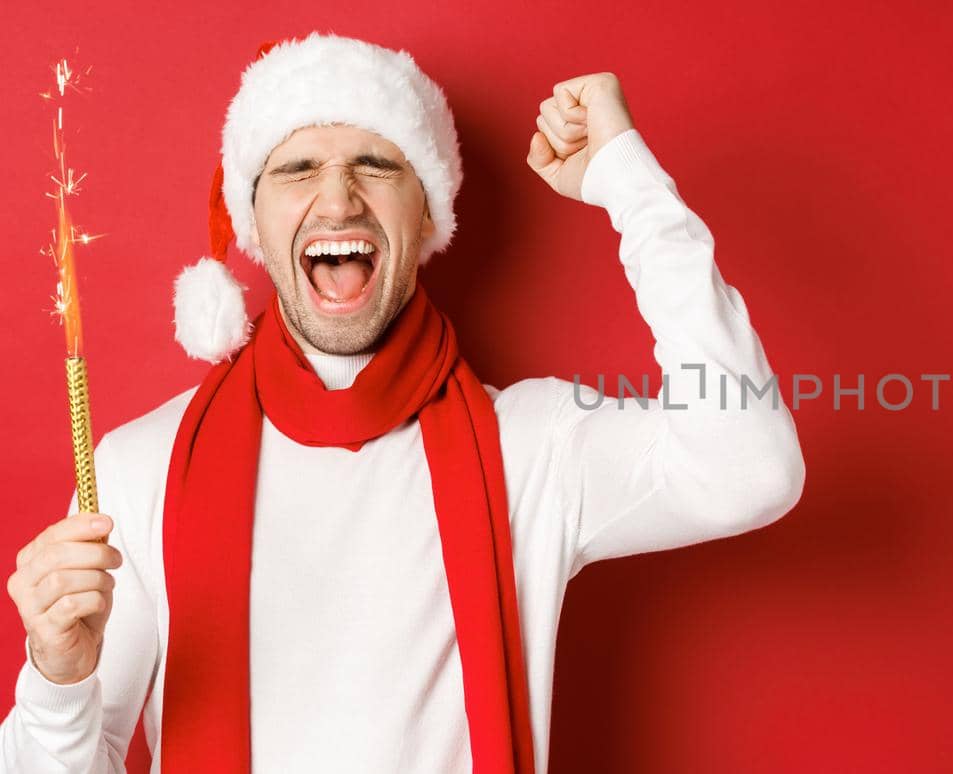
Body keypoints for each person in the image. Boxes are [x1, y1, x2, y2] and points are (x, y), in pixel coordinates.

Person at [0, 31, 803, 773]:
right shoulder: (141, 468)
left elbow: (752, 466)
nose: (341, 199)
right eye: (297, 168)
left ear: (426, 218)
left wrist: (630, 183)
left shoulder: (533, 447)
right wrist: (58, 680)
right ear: (255, 219)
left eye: (377, 166)